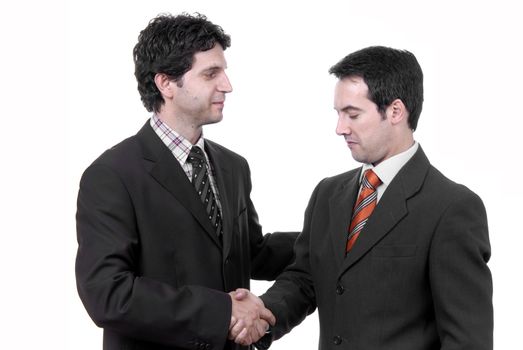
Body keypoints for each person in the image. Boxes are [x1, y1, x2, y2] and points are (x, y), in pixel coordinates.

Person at [231, 46, 493, 349]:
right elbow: (304, 279)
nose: (340, 128)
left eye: (352, 114)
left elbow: (467, 340)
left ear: (395, 111)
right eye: (339, 114)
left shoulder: (452, 208)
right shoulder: (327, 194)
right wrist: (262, 316)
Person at [75, 13, 296, 350]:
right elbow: (108, 294)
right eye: (211, 74)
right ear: (166, 84)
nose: (227, 85)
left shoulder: (233, 166)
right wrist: (222, 312)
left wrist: (328, 231)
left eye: (224, 71)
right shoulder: (112, 175)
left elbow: (249, 252)